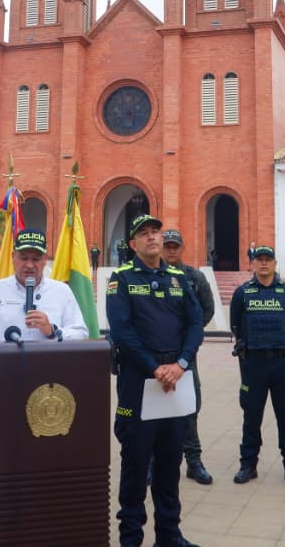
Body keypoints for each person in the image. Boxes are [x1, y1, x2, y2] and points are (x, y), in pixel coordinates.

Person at [106, 214, 204, 547]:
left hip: (175, 381)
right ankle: (131, 537)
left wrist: (180, 363)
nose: (152, 238)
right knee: (135, 464)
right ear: (133, 244)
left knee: (170, 461)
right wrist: (154, 368)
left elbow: (195, 325)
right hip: (139, 383)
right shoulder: (120, 279)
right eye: (144, 234)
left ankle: (169, 535)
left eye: (156, 232)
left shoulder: (178, 278)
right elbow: (122, 331)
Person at [229, 245, 285, 488]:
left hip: (282, 362)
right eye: (259, 259)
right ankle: (248, 465)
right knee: (251, 417)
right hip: (253, 363)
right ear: (252, 263)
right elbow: (236, 325)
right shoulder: (242, 293)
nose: (263, 263)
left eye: (268, 259)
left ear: (274, 263)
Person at [0, 228, 89, 363]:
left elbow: (81, 334)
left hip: (50, 376)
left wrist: (52, 331)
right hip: (5, 373)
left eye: (36, 259)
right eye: (23, 258)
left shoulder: (62, 291)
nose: (30, 265)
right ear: (13, 257)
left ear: (45, 260)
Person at [161, 228, 216, 485]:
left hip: (185, 355)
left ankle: (194, 462)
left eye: (175, 246)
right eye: (167, 246)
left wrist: (188, 336)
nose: (171, 250)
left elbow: (207, 310)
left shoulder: (194, 277)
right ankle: (154, 464)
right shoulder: (152, 275)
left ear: (182, 248)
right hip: (158, 354)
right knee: (155, 410)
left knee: (189, 408)